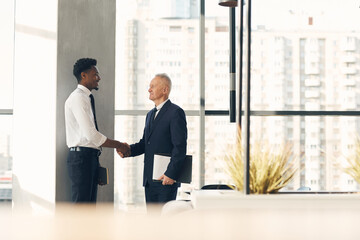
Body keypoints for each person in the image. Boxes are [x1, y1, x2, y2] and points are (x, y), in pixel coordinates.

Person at [65, 58, 129, 203]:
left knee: (88, 210)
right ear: (83, 75)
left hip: (88, 158)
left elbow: (89, 138)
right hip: (81, 159)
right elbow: (92, 135)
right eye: (95, 74)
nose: (99, 78)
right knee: (82, 209)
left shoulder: (85, 98)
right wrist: (119, 145)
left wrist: (96, 163)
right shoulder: (78, 98)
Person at [119, 73, 188, 205]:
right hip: (150, 180)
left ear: (164, 90)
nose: (149, 89)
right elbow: (145, 143)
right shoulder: (150, 114)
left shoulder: (175, 112)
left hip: (166, 179)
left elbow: (179, 147)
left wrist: (171, 174)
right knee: (152, 222)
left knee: (163, 222)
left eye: (152, 86)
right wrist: (128, 150)